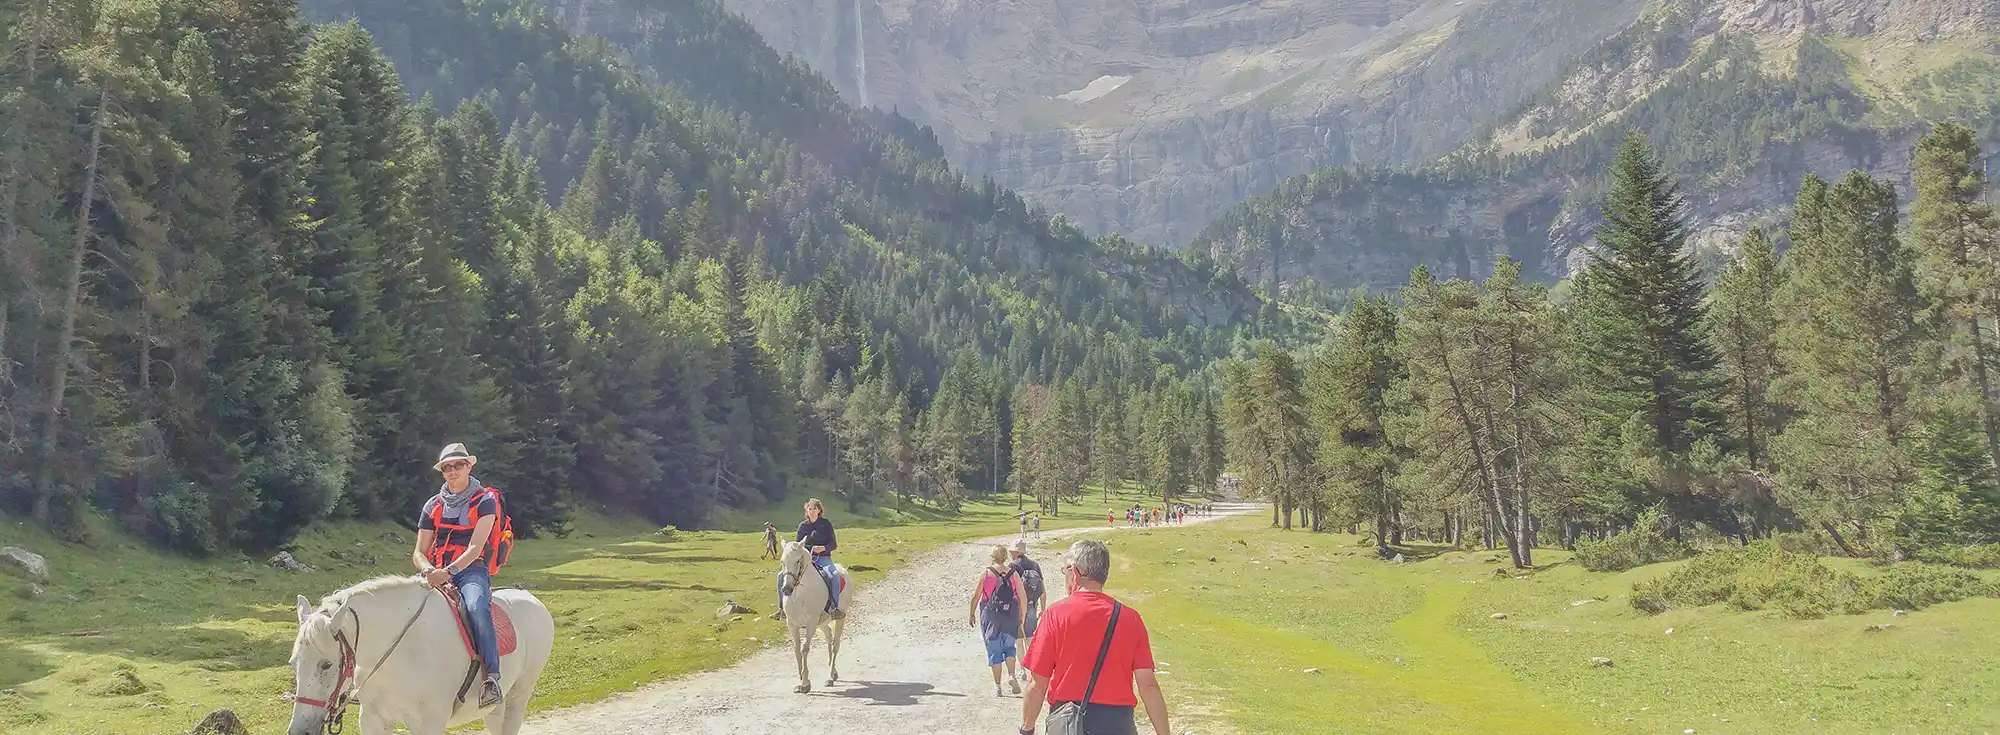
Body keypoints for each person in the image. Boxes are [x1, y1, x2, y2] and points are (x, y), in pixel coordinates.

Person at [1018, 540, 1171, 735]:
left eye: (1065, 570)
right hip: (1118, 724)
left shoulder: (1055, 615)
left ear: (1075, 572)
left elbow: (1036, 683)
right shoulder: (1130, 618)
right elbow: (1148, 685)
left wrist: (1027, 728)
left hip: (1068, 723)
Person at [412, 443, 505, 709]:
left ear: (469, 466)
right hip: (436, 572)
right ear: (442, 472)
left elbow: (476, 547)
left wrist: (449, 572)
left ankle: (491, 678)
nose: (453, 471)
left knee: (476, 607)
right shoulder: (432, 505)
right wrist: (428, 569)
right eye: (447, 467)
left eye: (458, 465)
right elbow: (419, 551)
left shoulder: (485, 501)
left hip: (470, 570)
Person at [970, 544, 1028, 696]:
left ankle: (997, 687)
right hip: (1010, 614)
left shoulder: (986, 574)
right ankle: (1011, 675)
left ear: (992, 556)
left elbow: (976, 596)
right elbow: (1022, 597)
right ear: (1006, 557)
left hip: (990, 615)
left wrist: (971, 613)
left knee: (994, 648)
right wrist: (1022, 615)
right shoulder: (1014, 574)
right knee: (1009, 647)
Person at [774, 498, 842, 620]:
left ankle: (834, 608)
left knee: (834, 576)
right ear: (806, 510)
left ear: (819, 510)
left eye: (814, 508)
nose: (811, 511)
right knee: (780, 576)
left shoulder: (826, 524)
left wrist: (823, 548)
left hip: (823, 558)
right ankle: (781, 609)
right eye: (809, 509)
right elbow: (797, 545)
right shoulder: (802, 526)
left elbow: (833, 544)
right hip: (805, 559)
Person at [1008, 539, 1047, 683]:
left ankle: (1022, 670)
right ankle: (1032, 668)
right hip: (1032, 606)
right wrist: (1043, 608)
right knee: (1030, 639)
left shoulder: (1012, 566)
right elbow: (1042, 589)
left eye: (1012, 551)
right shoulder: (1035, 565)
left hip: (1017, 607)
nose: (1010, 553)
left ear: (1016, 552)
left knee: (1018, 640)